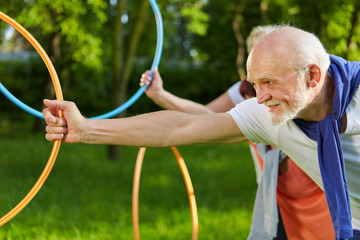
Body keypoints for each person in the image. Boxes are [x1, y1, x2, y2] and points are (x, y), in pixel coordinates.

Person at [43, 26, 360, 239]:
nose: (259, 96)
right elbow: (182, 125)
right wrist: (86, 129)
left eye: (269, 82)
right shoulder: (270, 113)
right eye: (255, 84)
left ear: (313, 76)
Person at [139, 25, 334, 240]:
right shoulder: (246, 90)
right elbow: (206, 116)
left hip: (315, 188)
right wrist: (160, 95)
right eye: (253, 52)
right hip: (274, 191)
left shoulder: (294, 86)